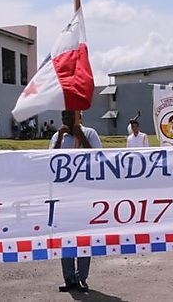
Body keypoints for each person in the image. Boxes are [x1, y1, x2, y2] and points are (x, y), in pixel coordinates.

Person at [49, 110, 102, 293]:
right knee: (66, 239)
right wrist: (59, 138)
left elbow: (99, 159)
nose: (65, 119)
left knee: (83, 238)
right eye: (63, 116)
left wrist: (82, 138)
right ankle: (69, 278)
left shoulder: (89, 133)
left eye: (69, 116)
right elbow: (49, 160)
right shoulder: (58, 136)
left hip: (84, 194)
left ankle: (82, 278)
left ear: (78, 117)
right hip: (64, 195)